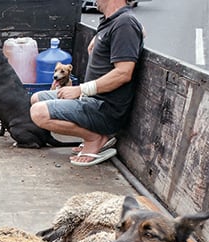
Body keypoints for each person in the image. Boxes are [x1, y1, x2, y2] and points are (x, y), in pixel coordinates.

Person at [28, 0, 143, 167]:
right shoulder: (112, 21)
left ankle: (95, 138)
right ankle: (92, 134)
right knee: (36, 98)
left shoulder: (125, 23)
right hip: (90, 99)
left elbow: (123, 73)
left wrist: (81, 89)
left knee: (38, 113)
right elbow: (139, 31)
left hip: (105, 108)